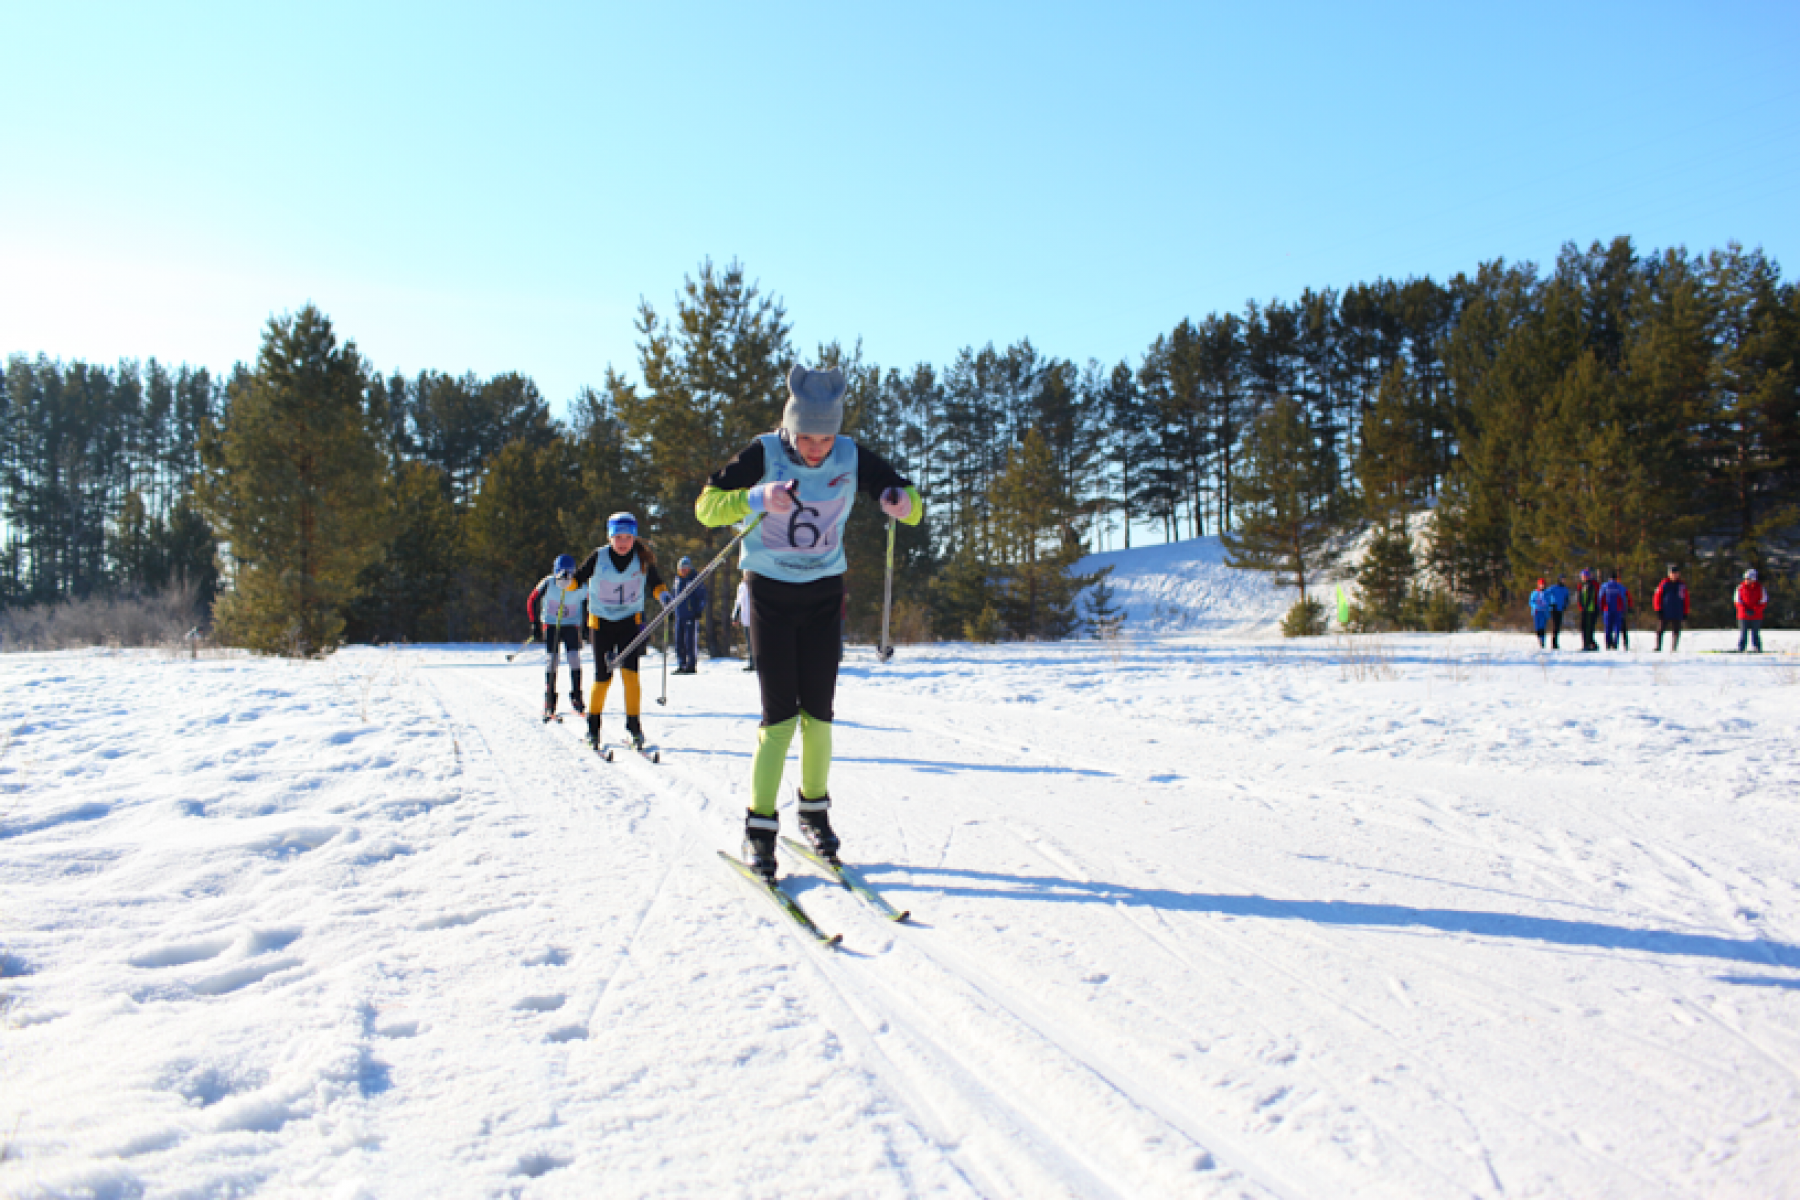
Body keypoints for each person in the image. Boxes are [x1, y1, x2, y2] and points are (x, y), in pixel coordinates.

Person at [694, 364, 923, 881]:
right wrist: (755, 497)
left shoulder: (850, 454)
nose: (817, 448)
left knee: (818, 714)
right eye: (807, 437)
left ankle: (815, 813)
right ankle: (759, 828)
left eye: (826, 436)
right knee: (779, 718)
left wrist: (902, 501)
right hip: (770, 594)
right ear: (789, 427)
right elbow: (706, 507)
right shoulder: (762, 453)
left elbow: (911, 505)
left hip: (823, 594)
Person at [571, 512, 669, 751]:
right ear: (610, 537)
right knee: (603, 678)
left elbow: (656, 583)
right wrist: (567, 582)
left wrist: (664, 597)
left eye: (628, 537)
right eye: (618, 537)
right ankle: (593, 729)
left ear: (634, 537)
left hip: (629, 622)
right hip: (601, 623)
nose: (623, 542)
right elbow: (579, 579)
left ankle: (634, 728)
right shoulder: (599, 556)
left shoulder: (642, 558)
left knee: (631, 677)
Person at [526, 555, 587, 720]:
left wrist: (588, 624)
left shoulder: (580, 586)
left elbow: (591, 601)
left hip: (571, 625)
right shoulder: (548, 582)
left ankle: (576, 696)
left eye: (569, 573)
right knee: (552, 659)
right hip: (551, 624)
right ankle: (550, 699)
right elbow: (532, 600)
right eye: (562, 573)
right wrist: (535, 624)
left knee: (574, 658)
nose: (565, 577)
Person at [667, 556, 708, 674]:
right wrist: (670, 611)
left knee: (689, 641)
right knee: (678, 641)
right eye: (681, 568)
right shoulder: (677, 580)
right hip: (679, 615)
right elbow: (673, 596)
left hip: (691, 615)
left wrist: (699, 610)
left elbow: (702, 596)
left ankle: (691, 665)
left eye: (686, 568)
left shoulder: (694, 580)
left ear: (690, 568)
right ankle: (682, 664)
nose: (683, 570)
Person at [1653, 564, 1689, 651]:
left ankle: (1674, 648)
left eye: (1676, 573)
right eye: (1672, 573)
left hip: (1677, 611)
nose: (1674, 575)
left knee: (1676, 630)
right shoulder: (1664, 584)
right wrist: (1658, 609)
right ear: (1669, 574)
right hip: (1665, 611)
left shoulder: (1682, 585)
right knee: (1660, 630)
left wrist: (1685, 612)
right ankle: (1658, 647)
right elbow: (1657, 596)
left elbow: (1686, 598)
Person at [1735, 569, 1768, 653]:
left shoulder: (1760, 588)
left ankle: (1757, 648)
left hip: (1756, 615)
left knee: (1755, 633)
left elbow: (1763, 601)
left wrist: (1754, 610)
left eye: (1748, 579)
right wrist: (1745, 610)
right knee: (1743, 633)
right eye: (1745, 578)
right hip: (1743, 615)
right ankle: (1741, 648)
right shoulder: (1740, 587)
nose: (1746, 580)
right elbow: (1737, 601)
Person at [1598, 570, 1629, 651]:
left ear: (1609, 578)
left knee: (1608, 627)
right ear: (1616, 578)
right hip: (1618, 610)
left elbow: (1601, 598)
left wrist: (1600, 608)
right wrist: (1624, 608)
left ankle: (1608, 644)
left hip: (1607, 609)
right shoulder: (1620, 586)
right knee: (1617, 628)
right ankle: (1615, 644)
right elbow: (1624, 597)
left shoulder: (1604, 586)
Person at [732, 570, 755, 671]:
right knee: (749, 642)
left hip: (756, 618)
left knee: (757, 642)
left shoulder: (755, 584)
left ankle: (760, 663)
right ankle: (752, 663)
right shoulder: (741, 586)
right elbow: (738, 602)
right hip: (746, 618)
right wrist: (735, 616)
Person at [1576, 569, 1600, 651]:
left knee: (1588, 627)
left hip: (1590, 610)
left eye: (1584, 576)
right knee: (1583, 627)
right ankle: (1587, 644)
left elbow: (1590, 597)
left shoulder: (1590, 585)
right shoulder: (1582, 585)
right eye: (1582, 576)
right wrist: (1580, 605)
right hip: (1584, 609)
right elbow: (1580, 597)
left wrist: (1585, 606)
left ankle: (1588, 644)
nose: (1582, 578)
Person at [1544, 574, 1571, 650]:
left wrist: (1565, 605)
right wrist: (1550, 603)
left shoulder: (1565, 589)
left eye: (1564, 579)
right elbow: (1545, 594)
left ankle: (1556, 642)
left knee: (1558, 626)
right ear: (1559, 579)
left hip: (1560, 609)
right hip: (1554, 609)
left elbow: (1567, 598)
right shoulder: (1554, 587)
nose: (1563, 580)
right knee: (1555, 626)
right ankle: (1554, 643)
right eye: (1562, 579)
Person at [1528, 578, 1552, 648]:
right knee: (1537, 628)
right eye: (1541, 584)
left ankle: (1542, 641)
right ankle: (1539, 639)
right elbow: (1531, 602)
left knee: (1542, 627)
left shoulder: (1547, 593)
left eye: (1543, 584)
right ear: (1538, 585)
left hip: (1544, 612)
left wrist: (1549, 606)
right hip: (1536, 612)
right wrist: (1535, 606)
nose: (1542, 586)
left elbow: (1550, 601)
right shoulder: (1534, 593)